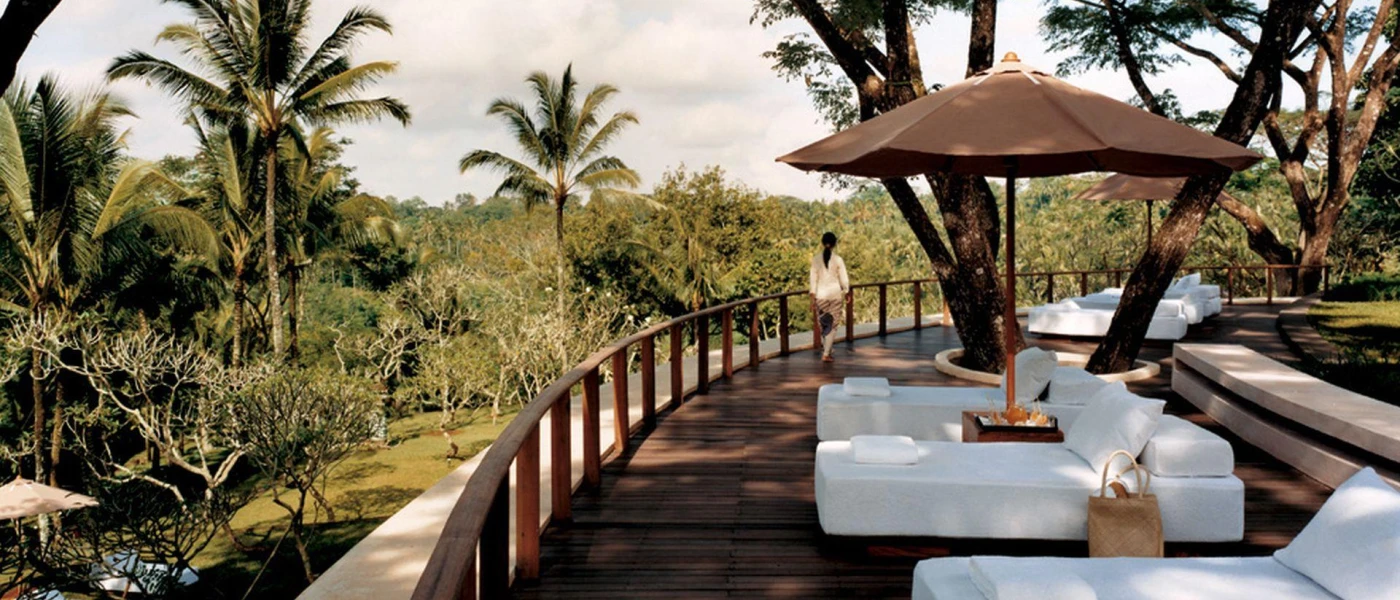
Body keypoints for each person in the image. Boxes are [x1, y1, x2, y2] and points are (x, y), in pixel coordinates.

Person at [809, 232, 850, 363]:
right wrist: (847, 291)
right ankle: (826, 353)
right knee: (833, 324)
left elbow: (813, 280)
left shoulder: (815, 259)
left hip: (820, 295)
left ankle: (827, 348)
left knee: (824, 323)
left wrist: (812, 297)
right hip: (835, 295)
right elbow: (844, 279)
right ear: (834, 244)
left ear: (822, 243)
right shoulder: (838, 260)